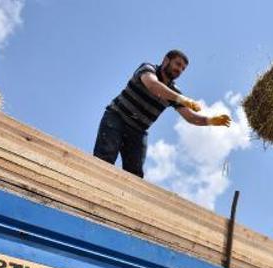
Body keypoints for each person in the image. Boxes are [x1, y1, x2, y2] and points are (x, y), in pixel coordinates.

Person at [93, 50, 231, 177]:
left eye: (183, 69)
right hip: (117, 118)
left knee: (134, 174)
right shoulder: (148, 68)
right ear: (166, 60)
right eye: (178, 64)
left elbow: (190, 117)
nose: (179, 70)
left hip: (138, 131)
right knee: (105, 159)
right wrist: (180, 98)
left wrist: (210, 120)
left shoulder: (174, 91)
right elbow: (153, 85)